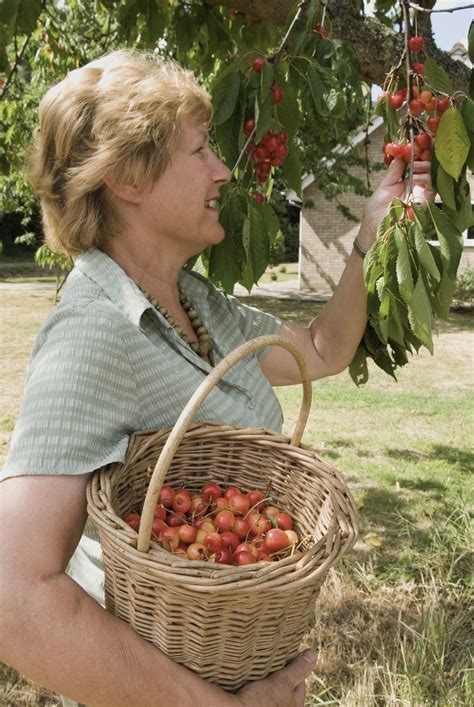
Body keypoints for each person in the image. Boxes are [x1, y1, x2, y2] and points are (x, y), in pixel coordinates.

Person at [0, 50, 434, 707]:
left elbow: (322, 347)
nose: (224, 170)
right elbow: (14, 596)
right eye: (199, 149)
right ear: (127, 177)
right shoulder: (93, 333)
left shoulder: (196, 304)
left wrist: (370, 232)